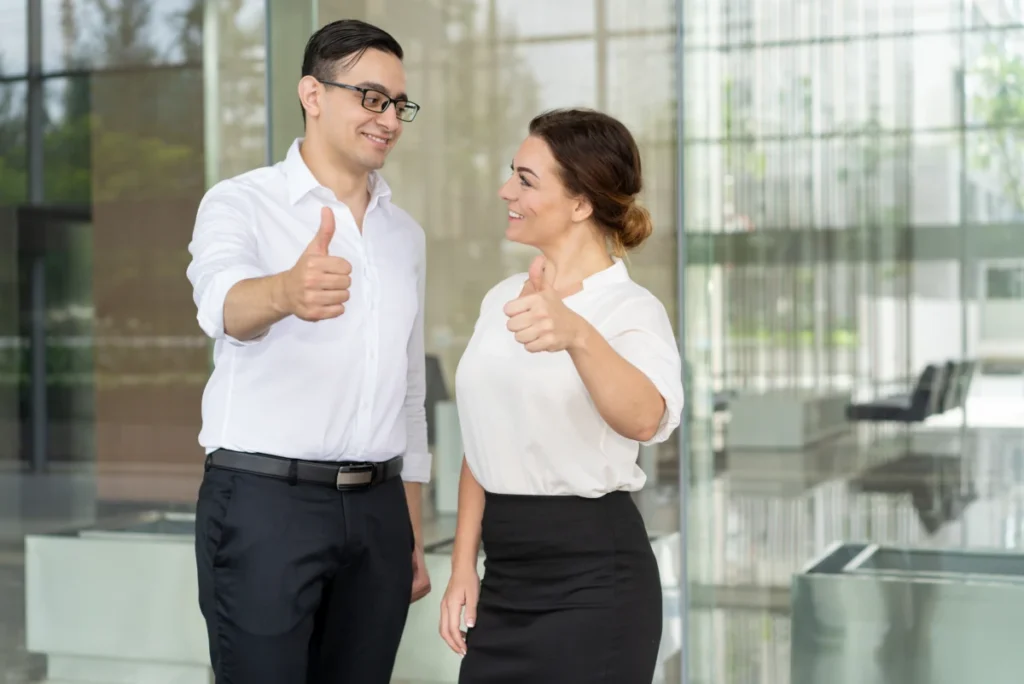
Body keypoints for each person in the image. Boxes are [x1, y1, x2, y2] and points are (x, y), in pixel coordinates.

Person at [185, 19, 431, 684]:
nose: (388, 120)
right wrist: (287, 291)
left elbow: (408, 392)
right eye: (370, 98)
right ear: (312, 94)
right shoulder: (242, 203)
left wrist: (410, 530)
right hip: (267, 505)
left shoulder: (404, 236)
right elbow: (223, 305)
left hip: (379, 513)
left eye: (398, 105)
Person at [438, 108, 685, 682]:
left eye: (526, 179)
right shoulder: (501, 297)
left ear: (580, 203)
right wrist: (462, 564)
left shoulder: (631, 311)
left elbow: (646, 419)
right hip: (504, 577)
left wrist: (575, 333)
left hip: (596, 584)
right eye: (512, 174)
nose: (506, 191)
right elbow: (484, 439)